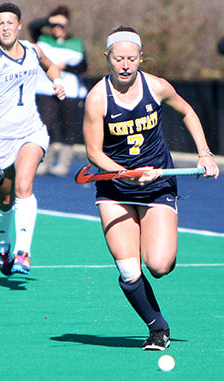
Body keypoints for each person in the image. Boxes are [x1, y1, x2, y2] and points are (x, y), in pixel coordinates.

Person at [83, 26, 219, 350]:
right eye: (119, 59)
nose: (126, 65)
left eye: (132, 58)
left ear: (141, 57)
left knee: (158, 265)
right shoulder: (97, 99)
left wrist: (205, 153)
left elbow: (187, 111)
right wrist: (125, 173)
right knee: (130, 269)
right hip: (116, 189)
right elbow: (93, 152)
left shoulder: (156, 87)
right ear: (107, 58)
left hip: (157, 185)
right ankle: (158, 328)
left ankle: (154, 231)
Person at [0, 3, 66, 276]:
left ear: (19, 24)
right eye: (1, 23)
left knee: (24, 184)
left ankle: (23, 252)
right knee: (5, 199)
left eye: (10, 23)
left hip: (31, 130)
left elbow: (51, 67)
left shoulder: (33, 49)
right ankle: (2, 243)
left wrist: (57, 81)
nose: (5, 27)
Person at [28, 5, 87, 177]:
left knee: (68, 126)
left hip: (69, 91)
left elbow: (84, 66)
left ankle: (63, 163)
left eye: (61, 25)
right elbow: (32, 26)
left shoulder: (76, 43)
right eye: (54, 25)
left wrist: (66, 66)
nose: (57, 29)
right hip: (45, 89)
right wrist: (50, 20)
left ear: (67, 25)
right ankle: (44, 161)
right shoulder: (43, 39)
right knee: (46, 126)